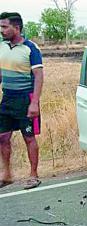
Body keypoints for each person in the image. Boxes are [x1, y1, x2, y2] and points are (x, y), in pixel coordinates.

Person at [0, 12, 43, 189]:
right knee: (2, 137)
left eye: (4, 26)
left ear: (16, 28)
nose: (1, 30)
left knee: (29, 137)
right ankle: (7, 174)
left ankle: (33, 175)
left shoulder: (31, 48)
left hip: (26, 99)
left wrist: (34, 103)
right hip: (7, 98)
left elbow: (39, 76)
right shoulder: (2, 46)